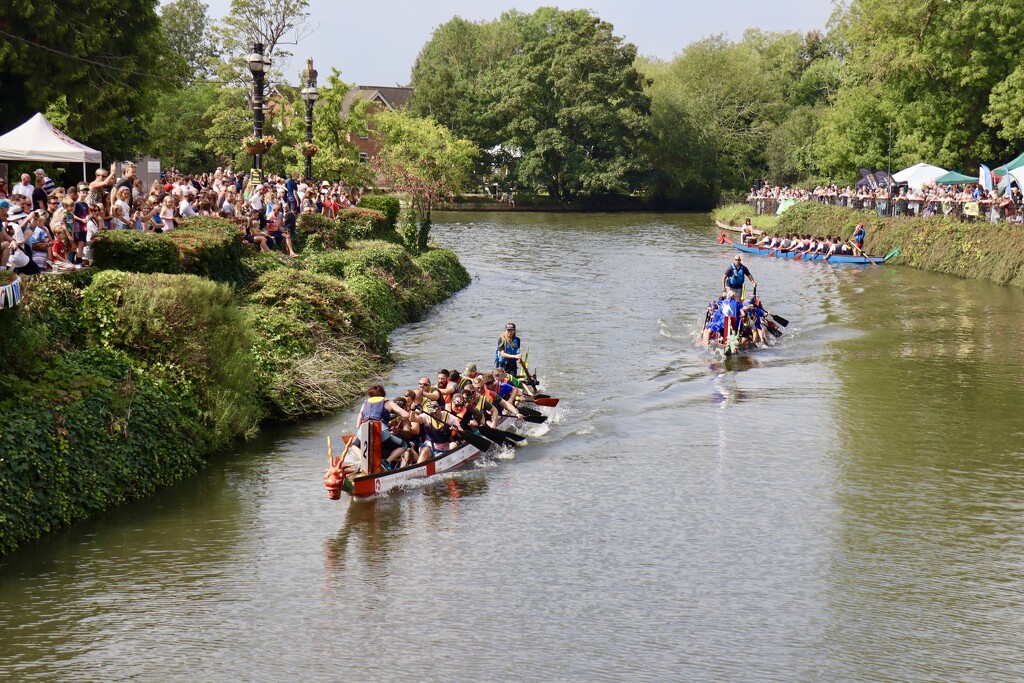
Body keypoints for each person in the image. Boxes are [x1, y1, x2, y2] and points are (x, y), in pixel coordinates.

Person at [355, 384, 412, 471]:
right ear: (383, 394)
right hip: (380, 431)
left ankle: (363, 461)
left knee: (354, 445)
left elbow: (358, 424)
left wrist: (358, 432)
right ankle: (386, 462)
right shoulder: (388, 403)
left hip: (363, 430)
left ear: (370, 395)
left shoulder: (365, 404)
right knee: (404, 445)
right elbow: (406, 415)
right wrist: (395, 420)